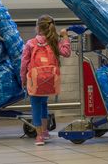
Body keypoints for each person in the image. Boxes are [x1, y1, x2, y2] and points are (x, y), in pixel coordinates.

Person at [20, 15, 71, 146]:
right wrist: (65, 37)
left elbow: (24, 63)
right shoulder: (54, 42)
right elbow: (66, 52)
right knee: (43, 104)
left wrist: (23, 79)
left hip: (35, 80)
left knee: (36, 106)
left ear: (38, 27)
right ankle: (45, 131)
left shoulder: (31, 43)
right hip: (49, 79)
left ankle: (39, 136)